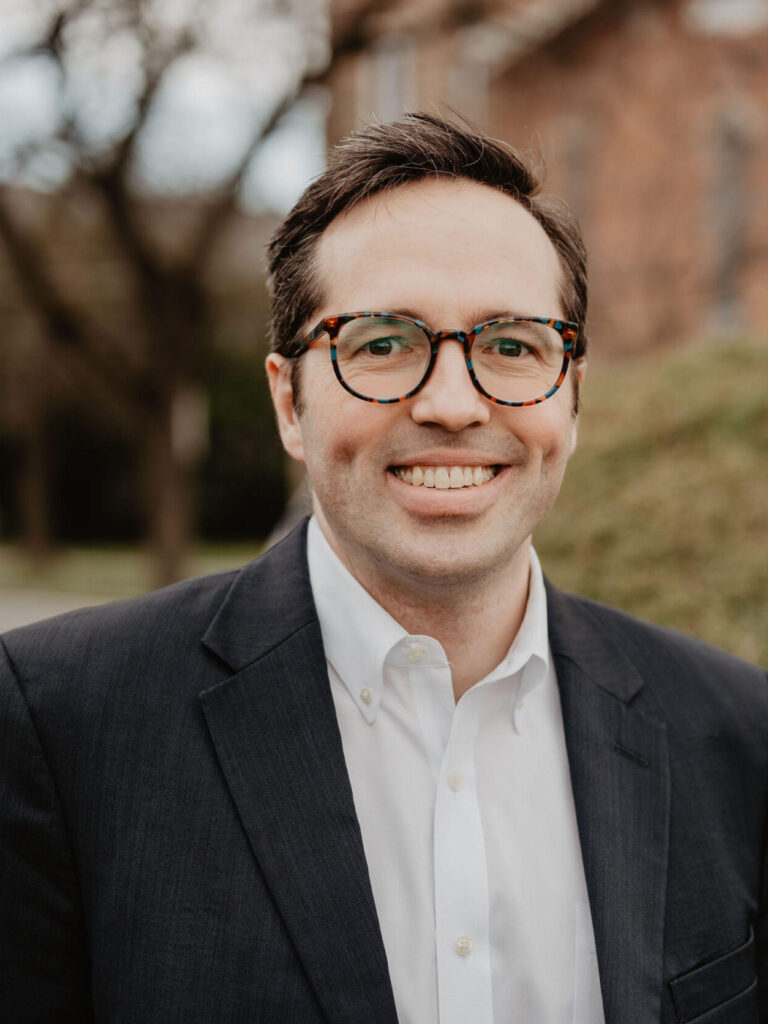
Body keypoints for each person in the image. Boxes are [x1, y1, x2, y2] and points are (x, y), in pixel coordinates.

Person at [1, 113, 766, 1024]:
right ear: (290, 401)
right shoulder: (58, 723)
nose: (452, 403)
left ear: (573, 398)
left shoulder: (737, 736)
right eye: (383, 343)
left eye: (512, 346)